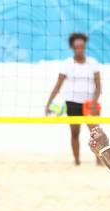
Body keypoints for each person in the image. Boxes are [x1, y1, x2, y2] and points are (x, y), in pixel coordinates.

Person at [45, 32, 102, 166]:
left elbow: (98, 87)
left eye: (82, 47)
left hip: (89, 104)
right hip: (72, 103)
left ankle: (99, 161)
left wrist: (94, 102)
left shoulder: (92, 63)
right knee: (75, 133)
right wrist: (48, 103)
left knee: (96, 134)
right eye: (77, 47)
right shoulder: (67, 64)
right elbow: (57, 85)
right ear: (72, 47)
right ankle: (77, 162)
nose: (80, 49)